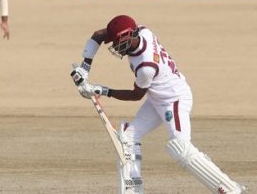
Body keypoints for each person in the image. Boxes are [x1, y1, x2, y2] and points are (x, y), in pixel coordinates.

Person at [70, 15, 246, 194]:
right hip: (156, 98)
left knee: (181, 148)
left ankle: (232, 190)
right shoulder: (142, 31)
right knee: (127, 138)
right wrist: (85, 67)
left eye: (118, 42)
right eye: (114, 41)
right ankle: (133, 192)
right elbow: (98, 35)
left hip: (174, 100)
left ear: (130, 35)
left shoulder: (146, 66)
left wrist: (101, 90)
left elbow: (136, 95)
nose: (115, 46)